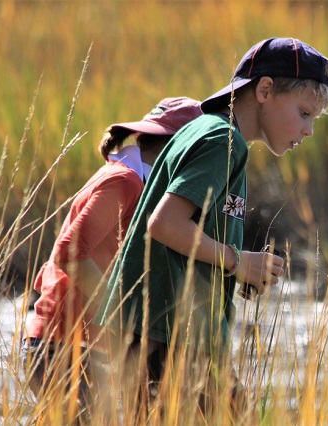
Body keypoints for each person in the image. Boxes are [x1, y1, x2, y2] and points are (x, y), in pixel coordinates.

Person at [96, 37, 328, 420]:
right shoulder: (223, 140)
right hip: (167, 332)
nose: (308, 130)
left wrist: (234, 271)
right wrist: (239, 262)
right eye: (304, 113)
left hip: (168, 330)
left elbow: (188, 232)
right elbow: (165, 224)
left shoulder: (211, 132)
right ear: (265, 90)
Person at [23, 97, 202, 422]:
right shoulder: (125, 181)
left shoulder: (135, 180)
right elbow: (69, 252)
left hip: (76, 347)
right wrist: (118, 314)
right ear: (176, 148)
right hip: (61, 346)